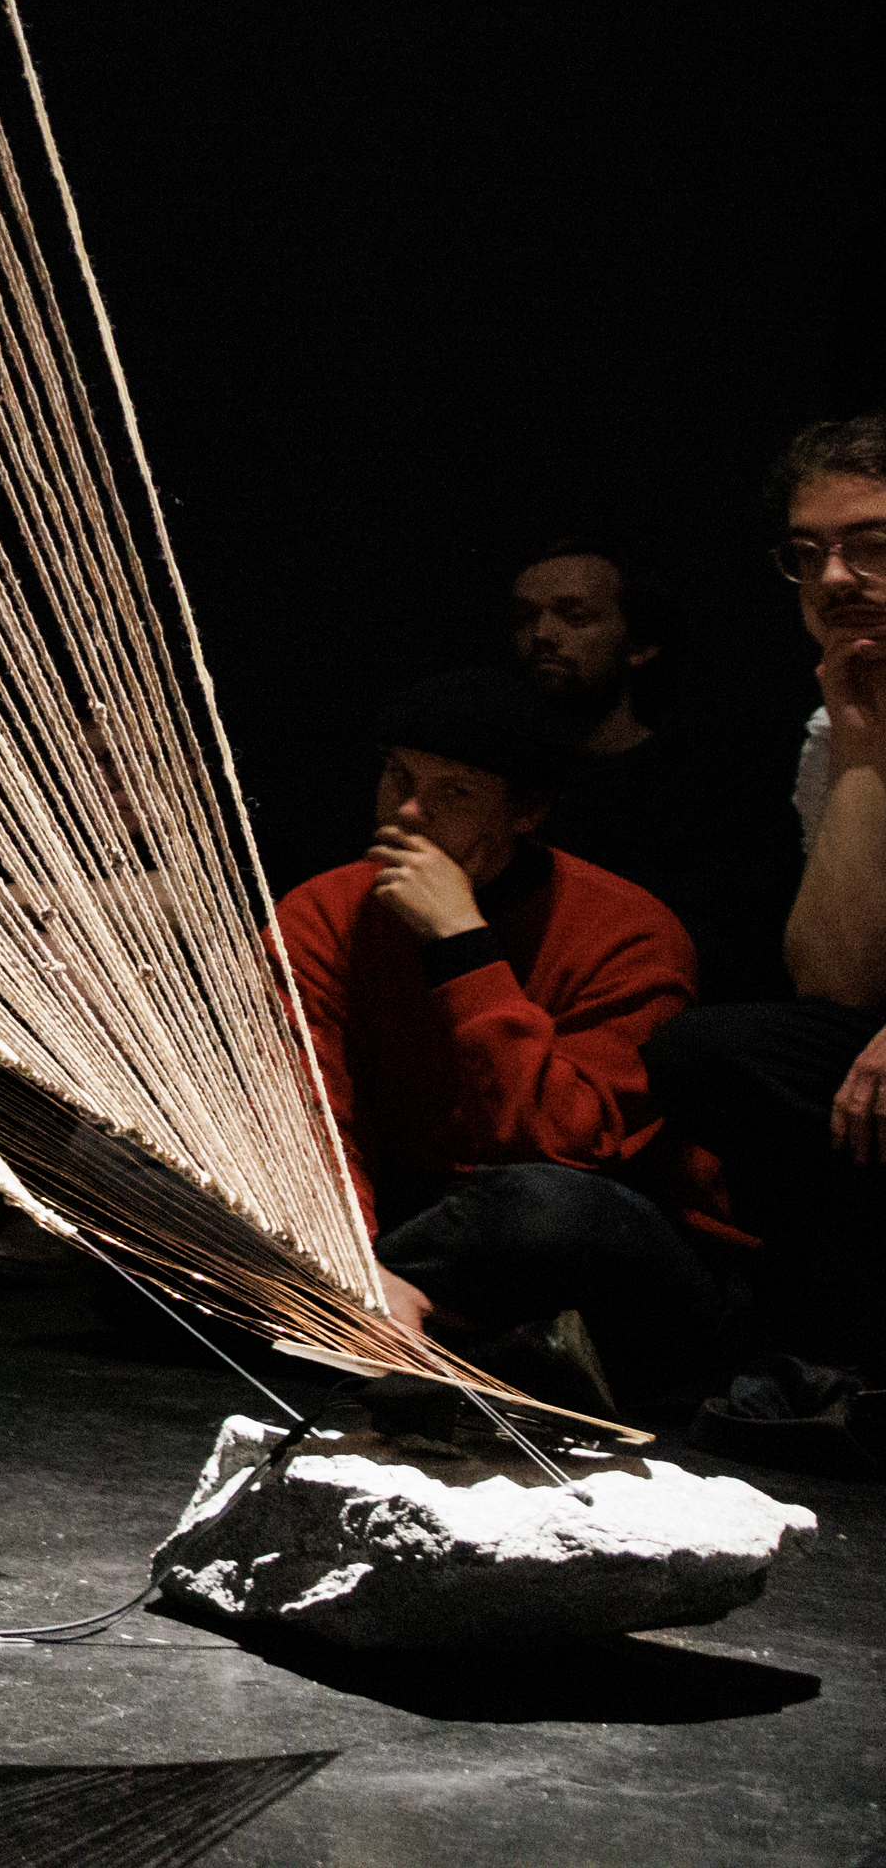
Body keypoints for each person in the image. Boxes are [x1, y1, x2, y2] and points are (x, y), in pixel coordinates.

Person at [270, 667, 733, 1410]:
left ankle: (376, 1329)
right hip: (414, 1229)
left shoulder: (629, 930)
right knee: (143, 1197)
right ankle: (448, 1340)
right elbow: (310, 1113)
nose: (408, 812)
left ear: (526, 812)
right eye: (398, 776)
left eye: (454, 793)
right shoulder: (325, 910)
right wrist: (353, 1261)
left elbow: (564, 1147)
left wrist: (462, 946)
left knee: (549, 1212)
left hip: (578, 1239)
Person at [655, 418, 886, 1397]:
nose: (832, 578)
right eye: (808, 552)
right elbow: (834, 978)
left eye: (869, 543)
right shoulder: (828, 727)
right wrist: (859, 743)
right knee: (710, 1051)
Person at [509, 535, 793, 1002]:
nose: (542, 634)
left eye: (574, 616)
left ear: (639, 645)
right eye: (525, 618)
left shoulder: (705, 785)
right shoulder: (506, 784)